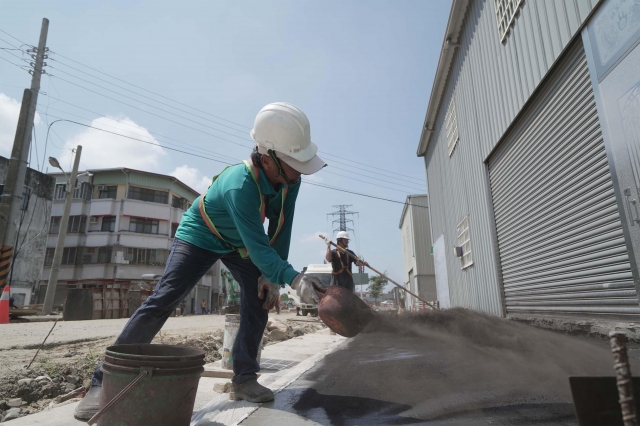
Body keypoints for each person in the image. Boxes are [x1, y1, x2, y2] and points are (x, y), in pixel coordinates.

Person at [74, 102, 326, 420]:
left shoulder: (291, 179)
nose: (300, 170)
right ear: (268, 158)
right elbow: (259, 245)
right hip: (200, 235)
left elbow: (281, 227)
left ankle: (244, 378)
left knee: (259, 298)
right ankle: (101, 382)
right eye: (294, 162)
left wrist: (274, 278)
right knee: (164, 299)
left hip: (239, 244)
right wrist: (292, 277)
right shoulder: (240, 184)